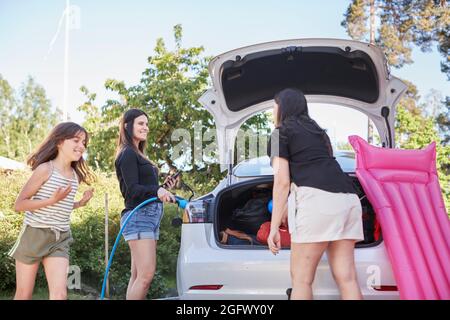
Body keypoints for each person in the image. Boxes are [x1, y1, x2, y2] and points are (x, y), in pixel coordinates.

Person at [267, 88, 364, 300]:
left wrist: (274, 228)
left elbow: (282, 182)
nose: (272, 111)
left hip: (318, 202)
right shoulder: (320, 133)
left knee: (301, 280)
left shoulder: (278, 134)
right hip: (349, 199)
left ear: (282, 108)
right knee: (347, 278)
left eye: (274, 106)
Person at [9, 122, 95, 300]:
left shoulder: (74, 176)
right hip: (34, 234)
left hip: (59, 237)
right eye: (76, 140)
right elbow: (20, 204)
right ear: (59, 142)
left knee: (60, 294)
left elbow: (61, 206)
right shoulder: (45, 170)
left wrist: (79, 203)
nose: (81, 146)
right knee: (24, 294)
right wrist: (51, 200)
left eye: (84, 143)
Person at [114, 108, 177, 300]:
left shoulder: (137, 154)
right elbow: (132, 190)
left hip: (148, 216)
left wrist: (163, 187)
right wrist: (157, 191)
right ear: (127, 125)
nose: (146, 127)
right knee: (145, 276)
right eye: (141, 123)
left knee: (137, 276)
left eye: (146, 124)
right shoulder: (127, 154)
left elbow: (144, 189)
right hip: (139, 216)